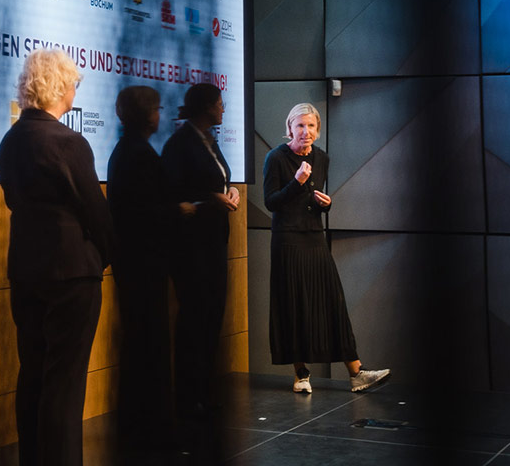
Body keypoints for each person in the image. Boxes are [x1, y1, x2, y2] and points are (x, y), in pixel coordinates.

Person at [0, 49, 112, 466]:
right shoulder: (68, 142)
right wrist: (106, 254)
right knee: (64, 385)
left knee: (33, 376)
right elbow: (95, 210)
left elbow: (14, 201)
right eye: (74, 82)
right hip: (72, 275)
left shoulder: (9, 142)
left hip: (25, 270)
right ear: (60, 86)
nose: (75, 88)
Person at [263, 102, 390, 394]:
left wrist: (327, 204)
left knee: (332, 302)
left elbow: (312, 199)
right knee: (294, 304)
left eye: (310, 126)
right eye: (300, 126)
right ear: (290, 128)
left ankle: (356, 373)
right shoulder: (276, 158)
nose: (305, 132)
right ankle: (301, 374)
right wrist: (296, 183)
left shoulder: (321, 158)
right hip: (288, 240)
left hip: (314, 237)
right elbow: (271, 202)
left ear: (317, 130)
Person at [107, 86, 195, 451]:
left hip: (134, 262)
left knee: (141, 340)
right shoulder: (139, 155)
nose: (161, 115)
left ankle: (140, 417)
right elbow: (140, 214)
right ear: (146, 114)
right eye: (157, 109)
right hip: (144, 262)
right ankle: (149, 420)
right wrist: (180, 210)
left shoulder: (125, 151)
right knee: (149, 340)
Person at [160, 83, 239, 423]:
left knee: (212, 318)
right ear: (206, 107)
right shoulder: (180, 144)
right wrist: (209, 200)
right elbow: (172, 196)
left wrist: (231, 191)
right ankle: (189, 397)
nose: (224, 110)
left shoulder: (211, 141)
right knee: (194, 319)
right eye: (220, 104)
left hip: (214, 242)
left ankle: (204, 393)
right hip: (191, 247)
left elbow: (219, 180)